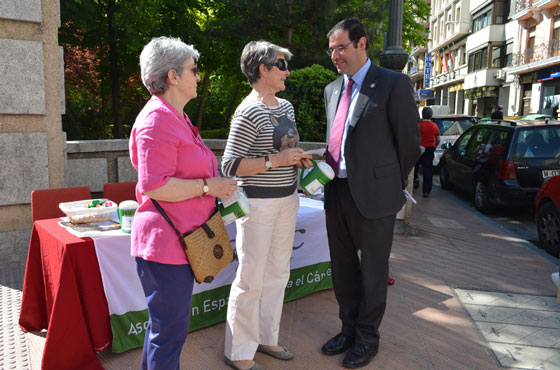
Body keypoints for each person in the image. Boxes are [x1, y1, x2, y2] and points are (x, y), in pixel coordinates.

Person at [129, 36, 238, 370]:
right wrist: (208, 186)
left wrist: (214, 186)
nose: (198, 76)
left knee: (165, 330)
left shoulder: (174, 116)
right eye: (193, 69)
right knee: (170, 333)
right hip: (166, 244)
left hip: (180, 240)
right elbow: (154, 185)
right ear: (173, 76)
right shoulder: (158, 119)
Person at [321, 19, 421, 368]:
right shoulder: (332, 89)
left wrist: (391, 182)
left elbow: (409, 143)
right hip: (337, 192)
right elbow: (336, 139)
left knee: (373, 271)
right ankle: (347, 331)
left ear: (361, 43)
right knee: (343, 269)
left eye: (341, 47)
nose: (335, 55)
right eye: (331, 49)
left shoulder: (392, 84)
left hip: (375, 197)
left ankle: (367, 339)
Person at [222, 40, 312, 370]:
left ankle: (266, 338)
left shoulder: (285, 107)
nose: (288, 72)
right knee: (251, 280)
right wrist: (275, 161)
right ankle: (239, 352)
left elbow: (287, 149)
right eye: (282, 66)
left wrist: (297, 159)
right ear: (263, 69)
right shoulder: (247, 111)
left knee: (278, 273)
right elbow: (229, 166)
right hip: (257, 206)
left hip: (289, 200)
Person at [413, 107, 440, 198]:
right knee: (428, 170)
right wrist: (434, 146)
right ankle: (426, 191)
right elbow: (438, 139)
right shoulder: (434, 125)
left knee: (415, 166)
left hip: (419, 148)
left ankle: (415, 180)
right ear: (431, 115)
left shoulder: (418, 125)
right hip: (429, 148)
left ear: (422, 115)